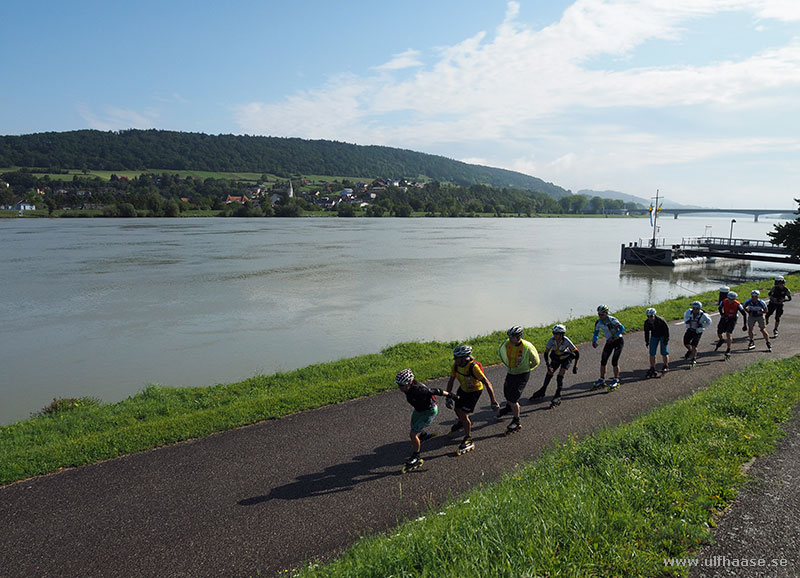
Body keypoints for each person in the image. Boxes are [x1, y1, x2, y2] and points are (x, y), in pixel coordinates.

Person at [395, 368, 457, 472]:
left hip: (429, 411)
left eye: (401, 385)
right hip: (419, 410)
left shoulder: (420, 390)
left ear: (409, 383)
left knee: (413, 434)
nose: (399, 387)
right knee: (413, 425)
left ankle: (416, 457)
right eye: (398, 384)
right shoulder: (407, 388)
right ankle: (424, 435)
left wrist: (452, 396)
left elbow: (437, 391)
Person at [444, 345, 499, 454]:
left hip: (474, 391)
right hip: (463, 389)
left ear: (464, 358)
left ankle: (468, 438)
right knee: (457, 409)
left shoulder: (473, 367)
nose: (455, 360)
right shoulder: (456, 366)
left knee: (464, 414)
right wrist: (448, 397)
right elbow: (451, 381)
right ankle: (463, 422)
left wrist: (493, 401)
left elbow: (487, 383)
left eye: (457, 358)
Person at [496, 326, 540, 433]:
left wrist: (525, 368)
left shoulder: (527, 347)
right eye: (509, 337)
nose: (510, 339)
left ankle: (516, 421)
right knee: (506, 392)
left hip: (522, 375)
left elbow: (535, 361)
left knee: (513, 398)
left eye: (512, 337)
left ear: (519, 337)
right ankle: (508, 408)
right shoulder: (507, 344)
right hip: (511, 373)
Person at [530, 324, 579, 408]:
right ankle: (543, 390)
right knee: (549, 373)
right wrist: (548, 365)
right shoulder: (551, 340)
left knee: (559, 377)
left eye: (557, 334)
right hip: (556, 357)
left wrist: (575, 366)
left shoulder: (566, 340)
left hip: (566, 359)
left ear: (562, 334)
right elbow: (546, 353)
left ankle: (558, 395)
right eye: (554, 333)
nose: (555, 335)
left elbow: (577, 353)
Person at [591, 305, 626, 390]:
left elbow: (622, 328)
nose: (600, 317)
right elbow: (596, 333)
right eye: (599, 315)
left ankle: (616, 379)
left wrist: (613, 337)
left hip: (618, 341)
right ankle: (602, 379)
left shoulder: (612, 320)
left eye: (602, 315)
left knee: (614, 361)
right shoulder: (598, 322)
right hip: (609, 342)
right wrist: (594, 341)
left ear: (606, 313)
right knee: (603, 360)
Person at [715, 291, 747, 361]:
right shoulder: (724, 301)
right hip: (725, 317)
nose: (730, 301)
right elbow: (720, 308)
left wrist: (745, 325)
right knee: (719, 331)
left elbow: (744, 314)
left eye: (732, 299)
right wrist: (722, 315)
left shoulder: (738, 304)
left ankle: (728, 349)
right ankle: (721, 339)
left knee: (728, 333)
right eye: (729, 299)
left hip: (732, 319)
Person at [682, 301, 712, 367]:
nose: (695, 310)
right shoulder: (688, 312)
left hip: (697, 331)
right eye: (694, 308)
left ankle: (694, 358)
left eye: (697, 308)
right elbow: (685, 318)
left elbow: (709, 322)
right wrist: (687, 321)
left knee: (694, 345)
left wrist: (701, 325)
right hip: (690, 329)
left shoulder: (704, 315)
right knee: (686, 343)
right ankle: (690, 350)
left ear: (700, 309)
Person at [643, 307, 670, 377]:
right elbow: (646, 332)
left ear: (654, 315)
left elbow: (666, 330)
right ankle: (652, 367)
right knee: (652, 353)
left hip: (663, 335)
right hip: (654, 336)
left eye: (651, 316)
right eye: (648, 316)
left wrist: (666, 339)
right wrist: (647, 341)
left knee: (664, 352)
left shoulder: (661, 320)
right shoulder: (647, 322)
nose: (650, 318)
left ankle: (665, 366)